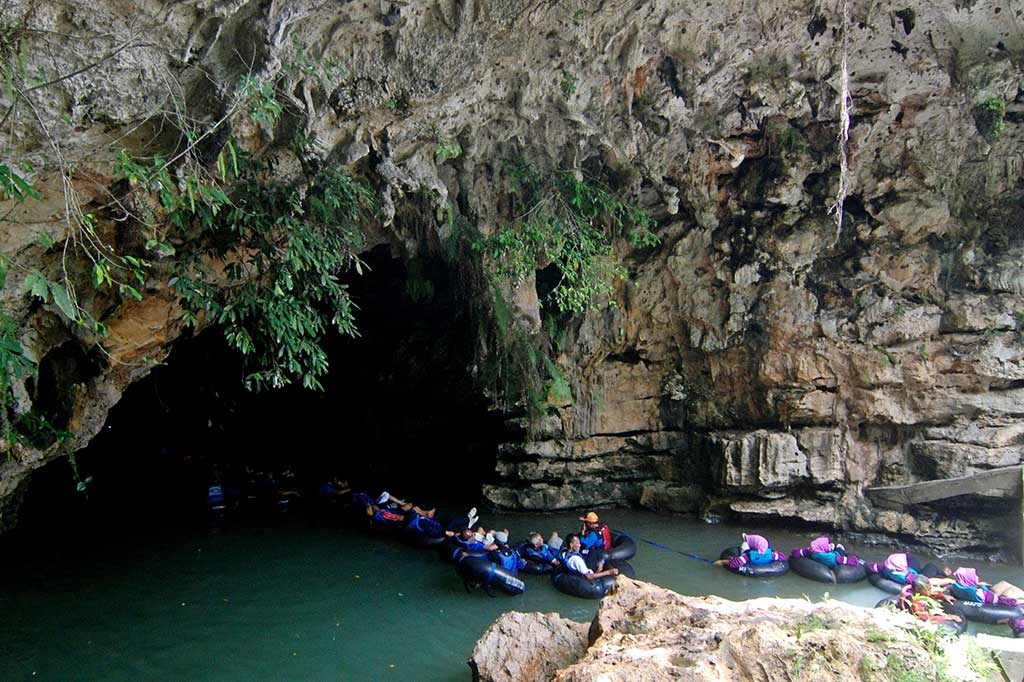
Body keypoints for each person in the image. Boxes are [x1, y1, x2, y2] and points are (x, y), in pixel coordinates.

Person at [896, 575, 962, 627]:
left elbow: (929, 593)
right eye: (928, 588)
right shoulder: (915, 603)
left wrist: (943, 596)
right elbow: (924, 618)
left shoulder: (919, 592)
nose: (930, 590)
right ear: (918, 589)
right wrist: (946, 617)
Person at [947, 567, 1019, 606]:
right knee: (1006, 588)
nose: (977, 577)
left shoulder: (955, 587)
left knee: (1002, 585)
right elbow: (994, 598)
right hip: (990, 598)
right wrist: (983, 587)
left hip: (973, 594)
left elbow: (966, 587)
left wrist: (979, 585)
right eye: (975, 576)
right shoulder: (978, 592)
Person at [715, 533, 785, 570]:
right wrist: (775, 552)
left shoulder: (748, 556)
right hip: (766, 563)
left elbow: (736, 563)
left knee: (744, 548)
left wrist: (722, 561)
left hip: (752, 564)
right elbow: (783, 557)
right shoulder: (772, 555)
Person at [790, 536, 862, 567]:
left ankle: (833, 547)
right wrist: (849, 560)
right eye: (827, 545)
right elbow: (837, 559)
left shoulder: (812, 549)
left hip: (823, 553)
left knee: (833, 546)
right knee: (839, 547)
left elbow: (804, 551)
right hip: (835, 555)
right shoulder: (824, 556)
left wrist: (797, 552)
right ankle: (841, 549)